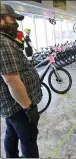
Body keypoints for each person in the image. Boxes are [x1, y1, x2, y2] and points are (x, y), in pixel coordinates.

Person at [0, 4, 42, 157]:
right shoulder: (3, 42)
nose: (16, 23)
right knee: (28, 138)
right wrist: (28, 107)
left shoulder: (6, 40)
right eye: (12, 19)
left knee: (11, 132)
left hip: (11, 105)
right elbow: (11, 80)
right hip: (17, 106)